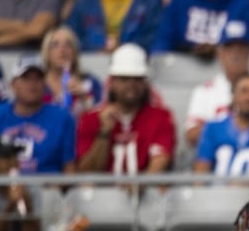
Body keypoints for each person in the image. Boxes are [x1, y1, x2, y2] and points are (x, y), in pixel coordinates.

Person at [74, 43, 176, 175]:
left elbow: (160, 162)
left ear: (145, 83)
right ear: (112, 82)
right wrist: (104, 133)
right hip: (104, 194)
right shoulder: (90, 119)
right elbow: (87, 173)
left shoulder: (161, 117)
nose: (131, 84)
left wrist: (137, 186)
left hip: (144, 193)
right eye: (124, 78)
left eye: (137, 79)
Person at [185, 20, 249, 149]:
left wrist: (221, 129)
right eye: (229, 47)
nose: (236, 53)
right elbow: (192, 135)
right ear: (220, 53)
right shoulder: (204, 90)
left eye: (241, 47)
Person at [0, 57, 77, 176]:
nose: (32, 84)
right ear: (13, 84)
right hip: (1, 188)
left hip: (48, 188)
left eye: (38, 78)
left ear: (45, 84)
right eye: (26, 78)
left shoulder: (63, 118)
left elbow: (69, 169)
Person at [193, 75, 249, 178]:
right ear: (233, 97)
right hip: (219, 191)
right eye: (244, 91)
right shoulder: (213, 128)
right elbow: (202, 170)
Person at [39, 27, 102, 120]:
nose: (62, 49)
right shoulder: (38, 84)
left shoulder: (90, 82)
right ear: (46, 52)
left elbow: (102, 117)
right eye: (55, 45)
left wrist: (85, 98)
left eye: (68, 44)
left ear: (75, 52)